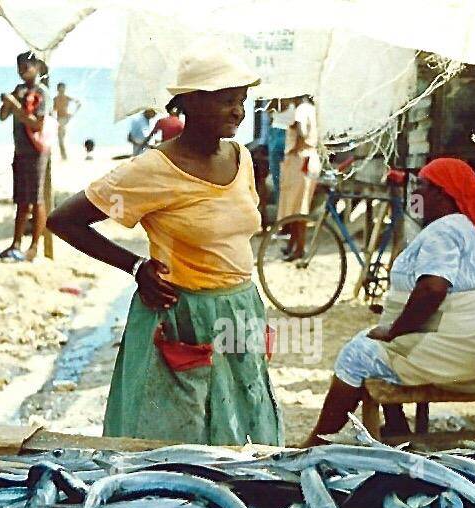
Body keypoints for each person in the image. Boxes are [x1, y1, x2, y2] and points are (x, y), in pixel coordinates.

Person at [48, 47, 282, 446]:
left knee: (242, 433)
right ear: (192, 102)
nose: (239, 111)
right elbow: (64, 219)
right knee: (174, 440)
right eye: (227, 100)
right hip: (181, 316)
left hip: (239, 309)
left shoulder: (242, 158)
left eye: (242, 100)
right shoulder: (152, 169)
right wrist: (136, 266)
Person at [301, 158, 475, 446]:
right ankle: (397, 428)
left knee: (355, 355)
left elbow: (433, 289)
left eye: (421, 186)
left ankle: (316, 443)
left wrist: (395, 330)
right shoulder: (460, 227)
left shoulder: (445, 231)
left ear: (442, 194)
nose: (415, 194)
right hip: (473, 346)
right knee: (373, 340)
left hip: (459, 351)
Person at [0, 51, 50, 261]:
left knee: (36, 199)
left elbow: (37, 123)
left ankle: (34, 246)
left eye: (26, 66)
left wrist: (16, 106)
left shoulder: (41, 93)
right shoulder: (19, 90)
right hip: (20, 150)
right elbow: (3, 116)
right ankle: (16, 243)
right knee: (21, 200)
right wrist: (8, 102)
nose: (22, 71)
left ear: (37, 67)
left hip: (36, 152)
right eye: (20, 67)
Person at [277, 94, 321, 258]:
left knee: (298, 208)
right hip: (306, 158)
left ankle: (299, 248)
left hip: (301, 159)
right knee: (296, 206)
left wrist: (295, 126)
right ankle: (293, 245)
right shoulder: (312, 109)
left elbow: (302, 132)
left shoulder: (301, 110)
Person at [266, 98, 293, 205]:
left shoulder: (277, 99)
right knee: (290, 181)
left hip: (276, 133)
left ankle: (281, 212)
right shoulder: (297, 100)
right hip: (290, 135)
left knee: (278, 181)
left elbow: (268, 110)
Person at [53, 82, 81, 161]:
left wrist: (72, 114)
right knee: (60, 139)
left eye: (63, 89)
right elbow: (53, 109)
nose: (61, 91)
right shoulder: (55, 99)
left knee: (61, 139)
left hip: (64, 119)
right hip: (59, 119)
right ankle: (64, 156)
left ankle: (64, 157)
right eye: (60, 89)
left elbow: (78, 103)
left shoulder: (67, 98)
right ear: (58, 89)